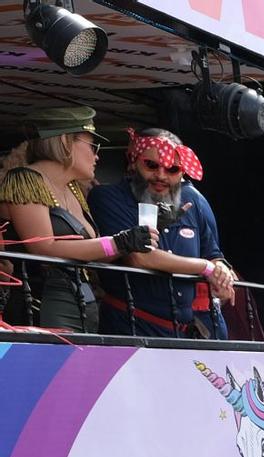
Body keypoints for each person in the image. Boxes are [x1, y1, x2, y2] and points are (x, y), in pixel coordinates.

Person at [0, 107, 155, 332]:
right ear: (65, 142)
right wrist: (118, 243)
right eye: (93, 146)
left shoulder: (73, 188)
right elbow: (43, 247)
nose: (97, 155)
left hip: (84, 299)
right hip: (43, 302)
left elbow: (96, 249)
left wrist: (134, 240)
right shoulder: (25, 179)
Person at [88, 128, 235, 338]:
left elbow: (213, 253)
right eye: (151, 165)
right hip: (133, 329)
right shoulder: (108, 197)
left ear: (183, 172)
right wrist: (205, 268)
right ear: (133, 161)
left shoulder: (194, 201)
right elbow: (139, 257)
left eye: (172, 169)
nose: (161, 176)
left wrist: (221, 272)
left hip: (193, 330)